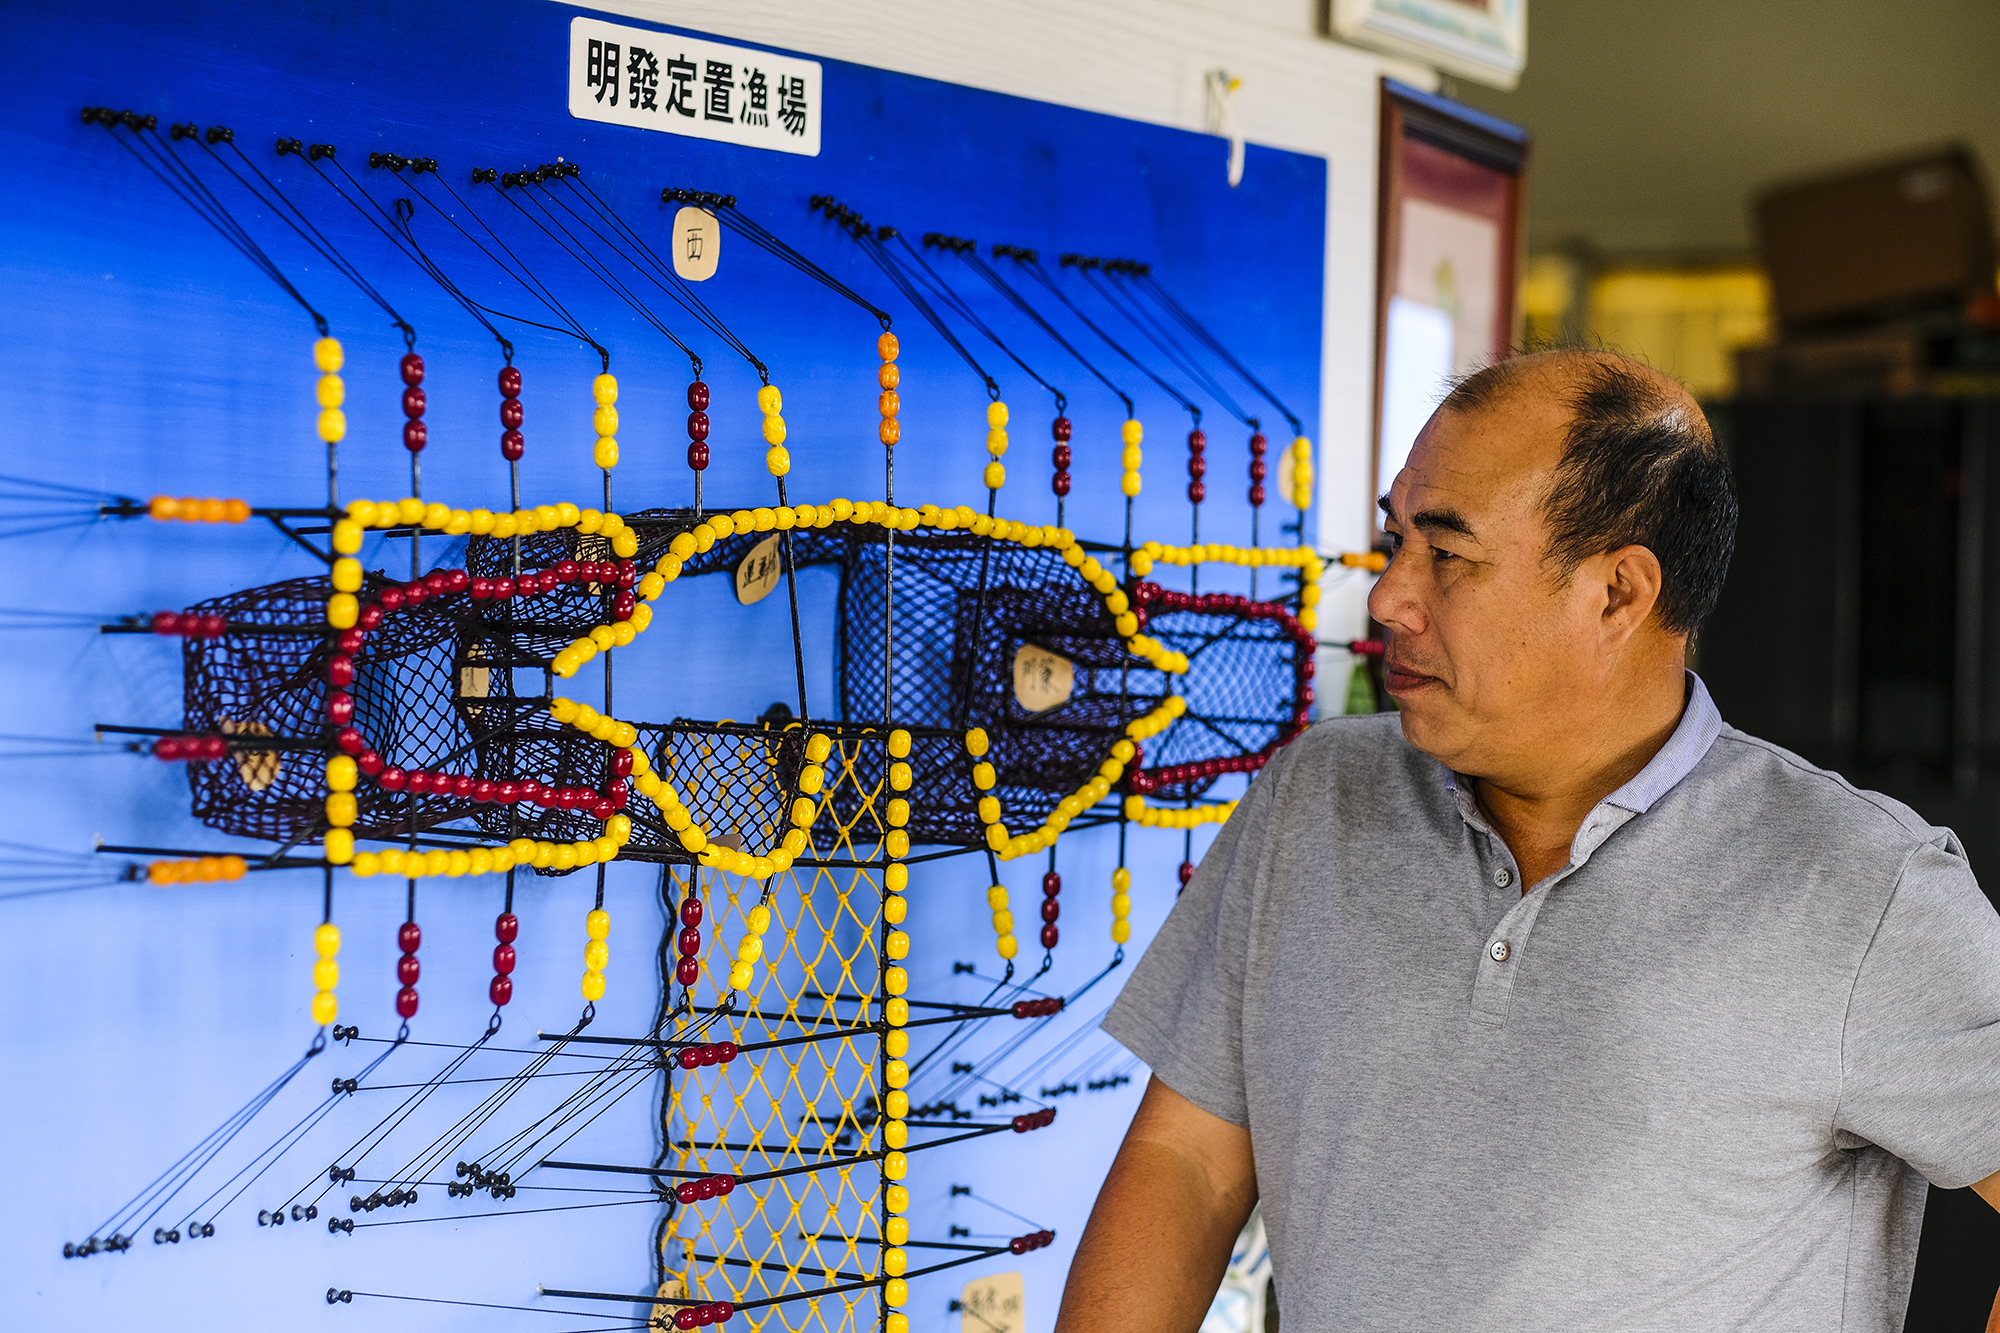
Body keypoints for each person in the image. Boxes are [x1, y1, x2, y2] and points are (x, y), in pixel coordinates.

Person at [1058, 349, 2000, 1332]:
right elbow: (1188, 1163)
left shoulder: (1859, 885)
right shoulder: (1314, 799)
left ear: (1618, 594)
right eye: (1393, 540)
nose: (1388, 596)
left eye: (1446, 554)